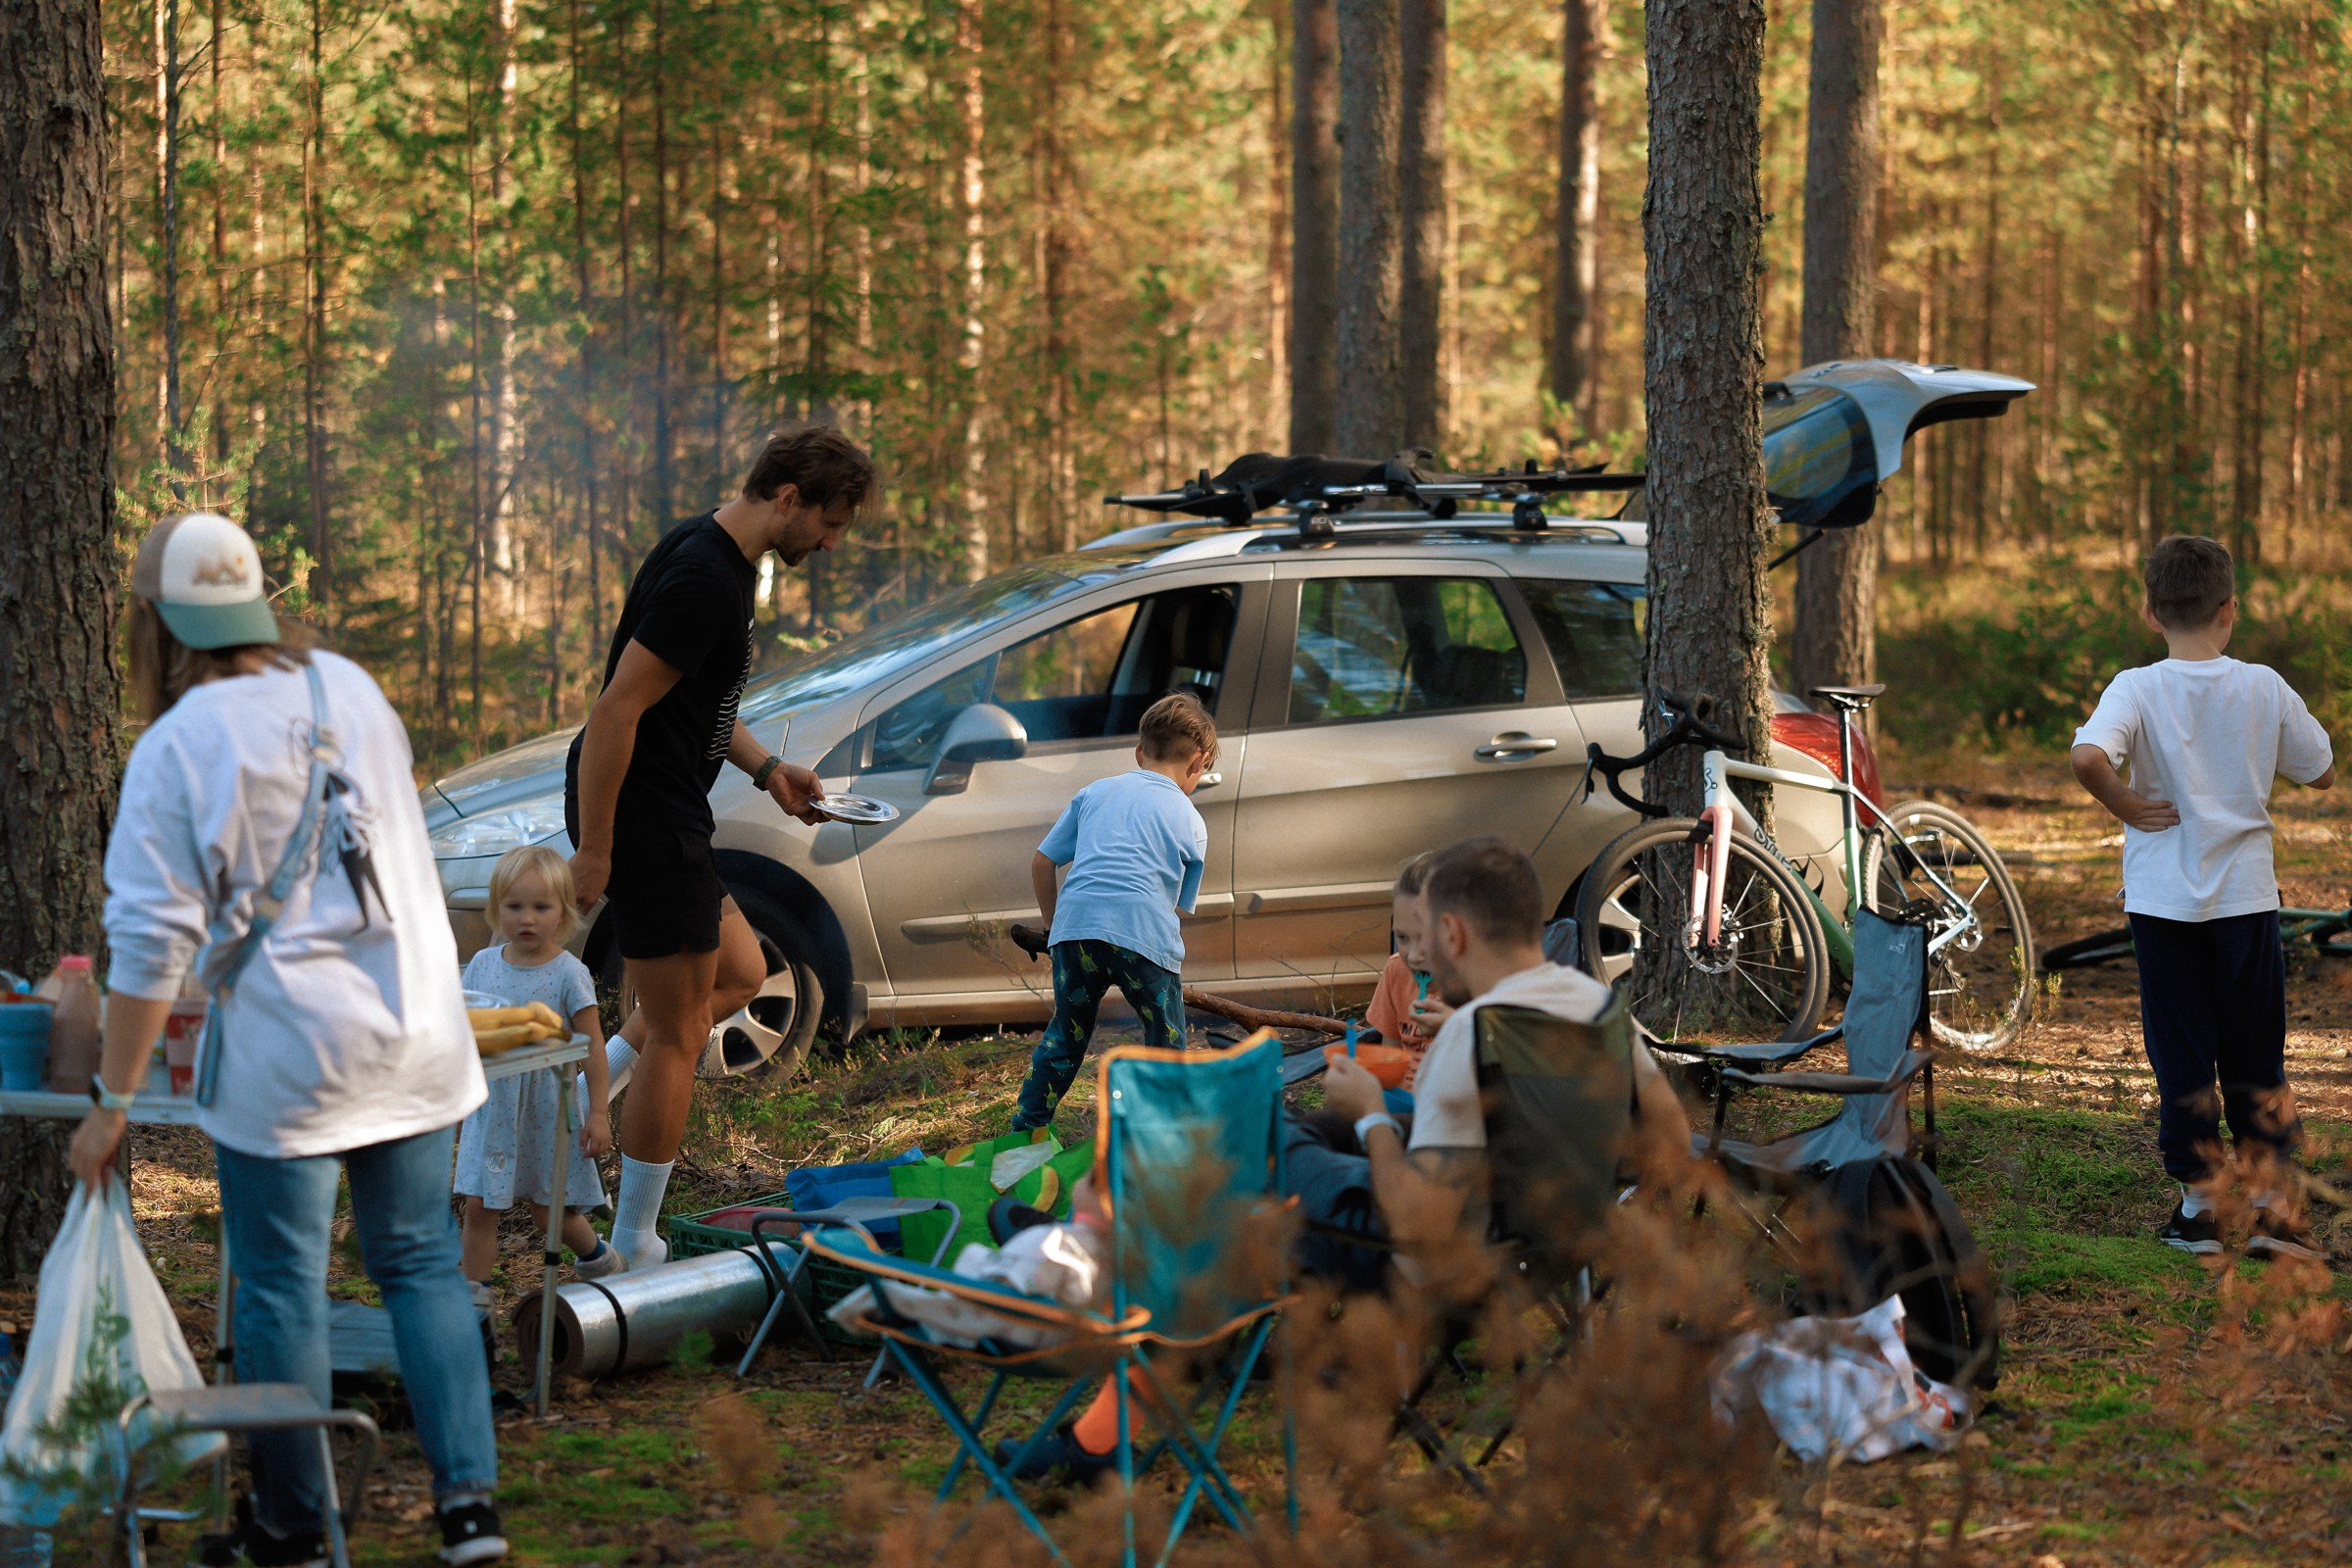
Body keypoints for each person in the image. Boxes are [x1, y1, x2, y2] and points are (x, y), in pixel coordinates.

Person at [68, 512, 508, 1566]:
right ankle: (471, 1516)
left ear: (159, 626)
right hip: (413, 1031)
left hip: (290, 1059)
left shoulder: (180, 742)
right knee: (422, 1268)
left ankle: (295, 1528)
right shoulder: (347, 688)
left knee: (280, 1286)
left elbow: (146, 946)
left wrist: (113, 1101)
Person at [566, 424, 874, 1270]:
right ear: (789, 498)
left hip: (670, 812)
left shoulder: (716, 554)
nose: (831, 542)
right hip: (643, 817)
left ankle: (577, 1118)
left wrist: (769, 766)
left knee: (739, 973)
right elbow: (613, 716)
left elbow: (692, 704)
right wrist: (597, 849)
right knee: (678, 1031)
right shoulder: (706, 579)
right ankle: (632, 1245)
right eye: (831, 523)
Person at [2070, 534, 2335, 1261]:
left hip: (2162, 908)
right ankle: (2275, 1209)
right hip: (2246, 902)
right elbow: (2321, 770)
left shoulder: (2135, 686)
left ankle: (2200, 1209)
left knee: (2180, 1052)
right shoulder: (2262, 685)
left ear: (2150, 612)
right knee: (2256, 1050)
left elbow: (2088, 755)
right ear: (2230, 610)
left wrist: (2127, 805)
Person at [1310, 836, 1691, 1292]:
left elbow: (1419, 1228)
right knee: (1323, 1132)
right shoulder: (1598, 1007)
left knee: (1286, 1148)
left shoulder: (1471, 1033)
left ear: (1453, 933)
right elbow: (1672, 1141)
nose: (1419, 951)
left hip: (1461, 1271)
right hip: (1567, 1252)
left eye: (1427, 932)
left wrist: (1371, 1112)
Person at [1010, 693, 1216, 1133]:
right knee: (1166, 1040)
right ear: (1199, 763)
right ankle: (1156, 1135)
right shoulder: (1191, 820)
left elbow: (1043, 863)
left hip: (1075, 932)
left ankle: (1025, 1132)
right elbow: (1177, 908)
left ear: (1140, 752)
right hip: (1143, 937)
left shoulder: (1095, 792)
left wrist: (1053, 931)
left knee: (1066, 1033)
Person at [456, 847, 614, 1304]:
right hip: (492, 1108)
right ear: (495, 909)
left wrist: (599, 1111)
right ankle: (476, 1298)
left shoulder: (569, 973)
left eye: (541, 907)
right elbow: (468, 1032)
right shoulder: (483, 966)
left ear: (563, 912)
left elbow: (593, 1045)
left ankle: (601, 1261)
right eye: (514, 906)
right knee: (479, 1204)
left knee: (550, 1212)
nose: (527, 919)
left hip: (547, 1110)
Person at [1360, 852, 1455, 1079]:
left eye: (1426, 939)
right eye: (1402, 937)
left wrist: (1457, 1028)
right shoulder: (1397, 971)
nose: (1412, 956)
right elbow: (1389, 1055)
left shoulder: (1483, 986)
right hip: (1403, 1103)